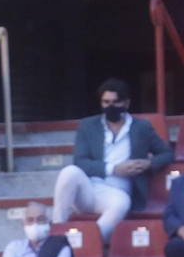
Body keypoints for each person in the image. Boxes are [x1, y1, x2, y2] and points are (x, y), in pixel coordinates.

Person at [53, 79, 174, 242]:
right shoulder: (88, 125)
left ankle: (91, 242)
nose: (110, 106)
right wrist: (114, 168)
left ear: (126, 103)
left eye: (116, 102)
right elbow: (80, 162)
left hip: (117, 193)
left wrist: (148, 164)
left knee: (122, 203)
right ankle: (56, 232)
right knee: (69, 172)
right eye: (106, 102)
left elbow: (167, 153)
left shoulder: (142, 127)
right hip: (89, 189)